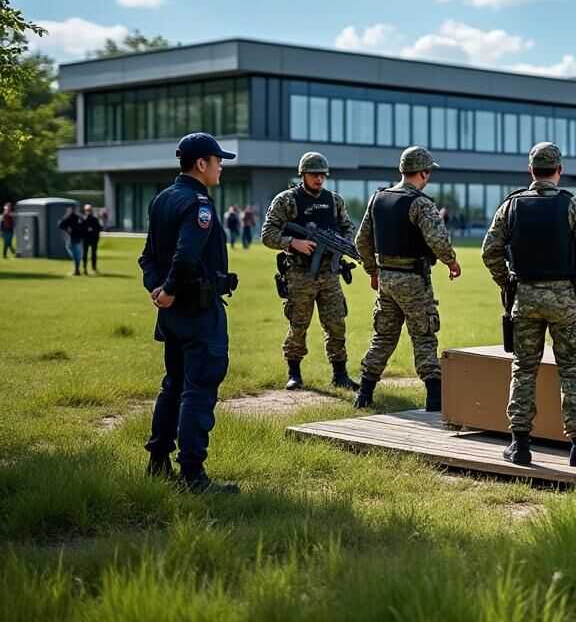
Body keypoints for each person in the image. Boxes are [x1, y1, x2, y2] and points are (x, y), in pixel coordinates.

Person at [481, 142, 576, 467]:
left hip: (524, 298)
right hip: (564, 300)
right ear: (559, 170)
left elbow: (490, 251)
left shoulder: (510, 206)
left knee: (523, 369)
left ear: (530, 170)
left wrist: (507, 282)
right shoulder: (571, 206)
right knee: (572, 369)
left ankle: (519, 445)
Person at [137, 132, 239, 494]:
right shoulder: (199, 204)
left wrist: (159, 289)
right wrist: (170, 289)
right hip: (197, 311)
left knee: (173, 386)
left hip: (172, 314)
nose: (221, 167)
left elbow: (146, 256)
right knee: (199, 388)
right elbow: (186, 255)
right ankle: (193, 475)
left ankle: (158, 462)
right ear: (201, 164)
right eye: (218, 161)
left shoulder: (162, 199)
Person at [351, 146, 462, 411]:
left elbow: (361, 241)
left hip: (386, 279)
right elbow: (438, 239)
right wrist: (451, 261)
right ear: (423, 173)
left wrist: (373, 271)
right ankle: (435, 398)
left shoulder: (378, 198)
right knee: (424, 335)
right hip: (413, 279)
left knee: (383, 336)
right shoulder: (421, 203)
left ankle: (364, 393)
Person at [261, 152, 359, 392]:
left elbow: (348, 229)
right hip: (299, 273)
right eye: (314, 174)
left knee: (336, 324)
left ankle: (340, 374)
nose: (319, 179)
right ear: (303, 174)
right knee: (298, 324)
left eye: (322, 175)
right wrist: (293, 242)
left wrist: (340, 243)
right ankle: (294, 373)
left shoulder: (334, 201)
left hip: (329, 272)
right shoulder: (287, 200)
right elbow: (267, 235)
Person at [58, 205, 84, 275]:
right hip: (77, 238)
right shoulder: (77, 217)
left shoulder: (70, 217)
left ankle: (76, 270)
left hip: (73, 238)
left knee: (75, 254)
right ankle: (77, 269)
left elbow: (60, 225)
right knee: (76, 254)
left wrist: (67, 231)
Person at [81, 204, 104, 274]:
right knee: (85, 254)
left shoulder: (95, 219)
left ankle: (94, 267)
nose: (88, 211)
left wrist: (95, 233)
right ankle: (84, 268)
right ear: (85, 211)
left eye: (90, 210)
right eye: (87, 210)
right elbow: (80, 229)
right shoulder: (83, 219)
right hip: (85, 240)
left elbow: (99, 228)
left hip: (93, 240)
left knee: (94, 254)